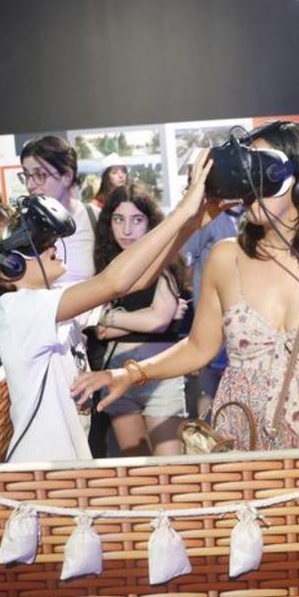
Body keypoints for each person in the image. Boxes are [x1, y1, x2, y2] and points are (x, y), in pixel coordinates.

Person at [72, 121, 299, 476]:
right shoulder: (226, 258)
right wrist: (130, 374)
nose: (250, 189)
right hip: (241, 445)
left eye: (263, 174)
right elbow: (199, 348)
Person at [0, 150, 218, 463]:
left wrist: (190, 226)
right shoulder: (16, 310)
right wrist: (180, 212)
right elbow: (114, 283)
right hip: (40, 472)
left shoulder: (51, 300)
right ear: (8, 266)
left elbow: (137, 281)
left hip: (66, 466)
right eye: (38, 245)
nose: (52, 246)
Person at [91, 185, 189, 456]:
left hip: (162, 374)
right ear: (108, 222)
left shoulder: (165, 262)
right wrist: (142, 318)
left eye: (136, 220)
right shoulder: (104, 267)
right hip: (116, 373)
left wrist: (112, 318)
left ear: (150, 223)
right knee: (136, 469)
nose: (126, 230)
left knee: (170, 472)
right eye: (118, 219)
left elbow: (157, 320)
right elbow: (99, 331)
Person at [181, 203, 244, 417]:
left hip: (244, 318)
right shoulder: (211, 218)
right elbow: (186, 264)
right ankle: (203, 437)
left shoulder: (252, 217)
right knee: (206, 382)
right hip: (212, 313)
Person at [19, 136, 96, 283]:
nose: (29, 185)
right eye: (27, 175)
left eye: (40, 175)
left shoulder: (94, 217)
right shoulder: (19, 227)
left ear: (67, 176)